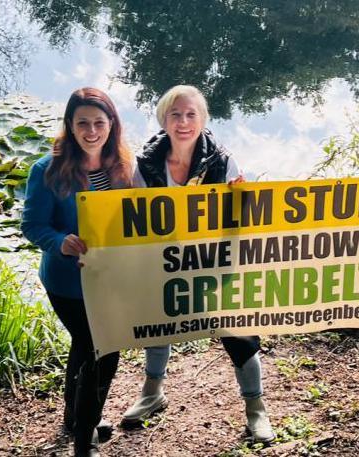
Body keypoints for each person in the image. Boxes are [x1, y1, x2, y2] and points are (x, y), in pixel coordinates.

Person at [120, 85, 276, 443]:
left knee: (238, 331)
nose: (183, 122)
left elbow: (240, 220)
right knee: (159, 325)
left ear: (203, 119)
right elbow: (136, 218)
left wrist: (244, 201)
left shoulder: (223, 161)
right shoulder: (145, 164)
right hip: (164, 260)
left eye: (191, 114)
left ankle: (256, 410)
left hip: (213, 261)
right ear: (164, 119)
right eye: (175, 115)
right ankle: (152, 393)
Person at [21, 87, 131, 457]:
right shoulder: (47, 169)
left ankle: (75, 416)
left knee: (86, 348)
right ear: (69, 125)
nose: (91, 130)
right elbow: (33, 225)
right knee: (101, 349)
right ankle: (85, 437)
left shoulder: (123, 167)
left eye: (99, 122)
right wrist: (59, 241)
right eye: (82, 122)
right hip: (67, 282)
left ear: (111, 124)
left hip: (109, 279)